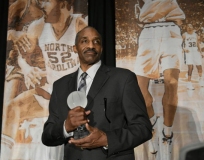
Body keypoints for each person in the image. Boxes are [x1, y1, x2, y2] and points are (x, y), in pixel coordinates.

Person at [42, 26, 152, 160]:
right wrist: (66, 127)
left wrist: (107, 139)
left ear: (101, 48)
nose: (91, 46)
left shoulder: (123, 78)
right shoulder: (60, 86)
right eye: (84, 41)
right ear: (75, 48)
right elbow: (47, 136)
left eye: (96, 42)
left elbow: (143, 128)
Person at [1, 0, 87, 159]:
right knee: (12, 108)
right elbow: (22, 56)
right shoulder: (38, 26)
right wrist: (27, 69)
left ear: (62, 3)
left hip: (78, 96)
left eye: (47, 1)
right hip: (52, 93)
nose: (41, 5)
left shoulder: (79, 26)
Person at [134, 0, 185, 159]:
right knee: (141, 93)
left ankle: (167, 135)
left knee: (172, 83)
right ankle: (152, 127)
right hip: (148, 30)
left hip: (170, 28)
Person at [182, 23, 204, 90]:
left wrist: (201, 52)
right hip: (189, 53)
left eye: (191, 26)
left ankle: (201, 80)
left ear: (192, 27)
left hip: (196, 52)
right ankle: (189, 83)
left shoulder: (196, 35)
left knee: (199, 67)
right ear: (186, 28)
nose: (189, 27)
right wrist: (184, 48)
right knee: (190, 68)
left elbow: (198, 44)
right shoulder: (184, 35)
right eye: (188, 26)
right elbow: (180, 44)